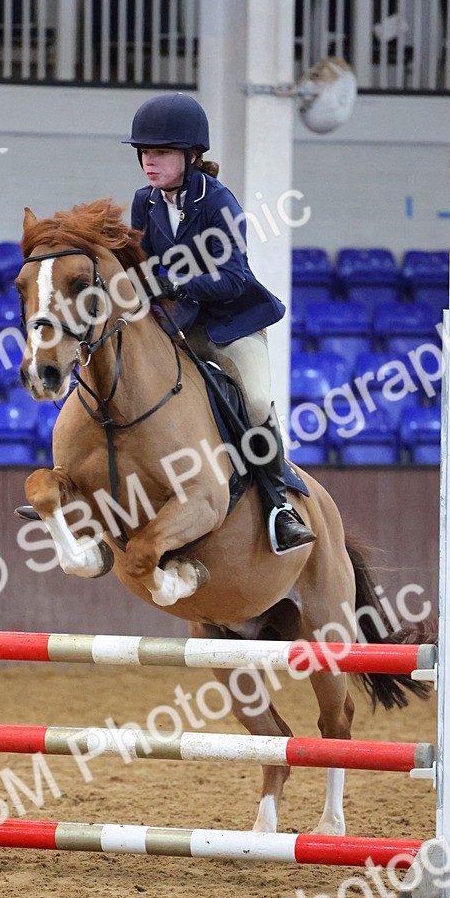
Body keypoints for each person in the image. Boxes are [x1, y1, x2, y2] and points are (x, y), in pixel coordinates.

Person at [124, 92, 316, 554]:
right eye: (144, 152)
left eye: (161, 152)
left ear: (191, 156)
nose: (149, 161)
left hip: (232, 326)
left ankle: (279, 507)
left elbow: (233, 278)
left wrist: (174, 282)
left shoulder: (218, 202)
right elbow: (140, 266)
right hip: (178, 325)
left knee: (255, 401)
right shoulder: (144, 202)